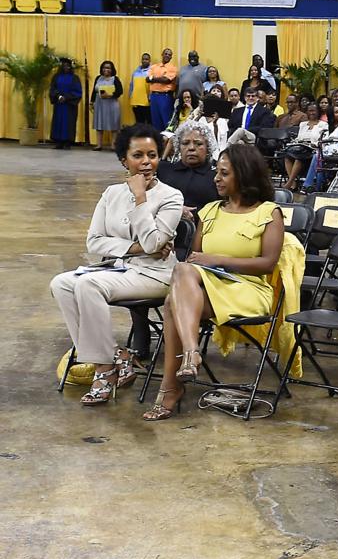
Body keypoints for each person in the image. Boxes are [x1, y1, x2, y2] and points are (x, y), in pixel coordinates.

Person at [143, 144, 283, 421]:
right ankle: (190, 354)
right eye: (217, 173)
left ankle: (171, 386)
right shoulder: (209, 211)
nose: (216, 179)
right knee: (180, 281)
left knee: (174, 300)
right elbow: (195, 261)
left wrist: (218, 259)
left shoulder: (269, 213)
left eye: (224, 173)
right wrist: (205, 262)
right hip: (209, 286)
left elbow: (268, 263)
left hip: (249, 289)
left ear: (243, 175)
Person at [50, 124, 183, 405]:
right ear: (124, 159)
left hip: (156, 275)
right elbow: (94, 241)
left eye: (152, 154)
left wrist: (140, 198)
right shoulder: (111, 193)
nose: (146, 162)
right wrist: (136, 248)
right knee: (60, 283)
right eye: (138, 155)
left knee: (87, 284)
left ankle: (104, 370)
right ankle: (116, 356)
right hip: (121, 269)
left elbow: (153, 245)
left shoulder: (171, 196)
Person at [157, 120, 220, 219]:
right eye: (185, 143)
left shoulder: (217, 175)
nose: (191, 148)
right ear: (178, 147)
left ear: (208, 147)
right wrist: (177, 210)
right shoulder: (163, 170)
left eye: (198, 144)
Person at [282, 102, 329, 191]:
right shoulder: (303, 124)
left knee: (299, 157)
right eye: (309, 111)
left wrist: (313, 143)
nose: (311, 113)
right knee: (287, 156)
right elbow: (299, 137)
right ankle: (294, 182)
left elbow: (324, 139)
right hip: (301, 147)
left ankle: (289, 182)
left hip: (313, 148)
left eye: (314, 111)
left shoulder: (323, 124)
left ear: (318, 112)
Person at [49, 58, 83, 150]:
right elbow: (53, 89)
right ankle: (59, 142)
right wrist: (58, 96)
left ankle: (68, 142)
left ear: (71, 67)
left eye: (68, 66)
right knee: (58, 122)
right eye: (64, 66)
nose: (66, 67)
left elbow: (78, 91)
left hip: (69, 105)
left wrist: (66, 97)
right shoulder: (56, 77)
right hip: (59, 104)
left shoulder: (75, 78)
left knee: (69, 123)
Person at [90, 59, 123, 151]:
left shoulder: (115, 79)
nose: (106, 69)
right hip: (100, 104)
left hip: (112, 104)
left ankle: (113, 145)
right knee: (99, 124)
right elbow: (94, 91)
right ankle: (99, 145)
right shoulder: (98, 78)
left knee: (114, 124)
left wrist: (110, 95)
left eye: (108, 68)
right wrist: (91, 102)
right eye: (104, 67)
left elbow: (120, 91)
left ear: (112, 69)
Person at [148, 48, 178, 131]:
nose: (167, 55)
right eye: (166, 53)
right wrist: (160, 78)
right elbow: (147, 79)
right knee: (155, 121)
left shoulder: (173, 68)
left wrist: (153, 79)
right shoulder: (154, 67)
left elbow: (167, 80)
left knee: (166, 120)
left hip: (165, 97)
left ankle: (167, 142)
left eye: (169, 54)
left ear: (171, 57)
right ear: (162, 54)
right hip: (154, 96)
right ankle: (158, 141)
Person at [129, 53, 153, 124]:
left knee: (149, 122)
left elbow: (152, 85)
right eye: (143, 59)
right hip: (136, 101)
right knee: (139, 122)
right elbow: (132, 85)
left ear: (149, 61)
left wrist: (150, 97)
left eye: (146, 59)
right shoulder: (136, 72)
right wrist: (131, 96)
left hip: (147, 102)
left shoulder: (151, 72)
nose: (144, 61)